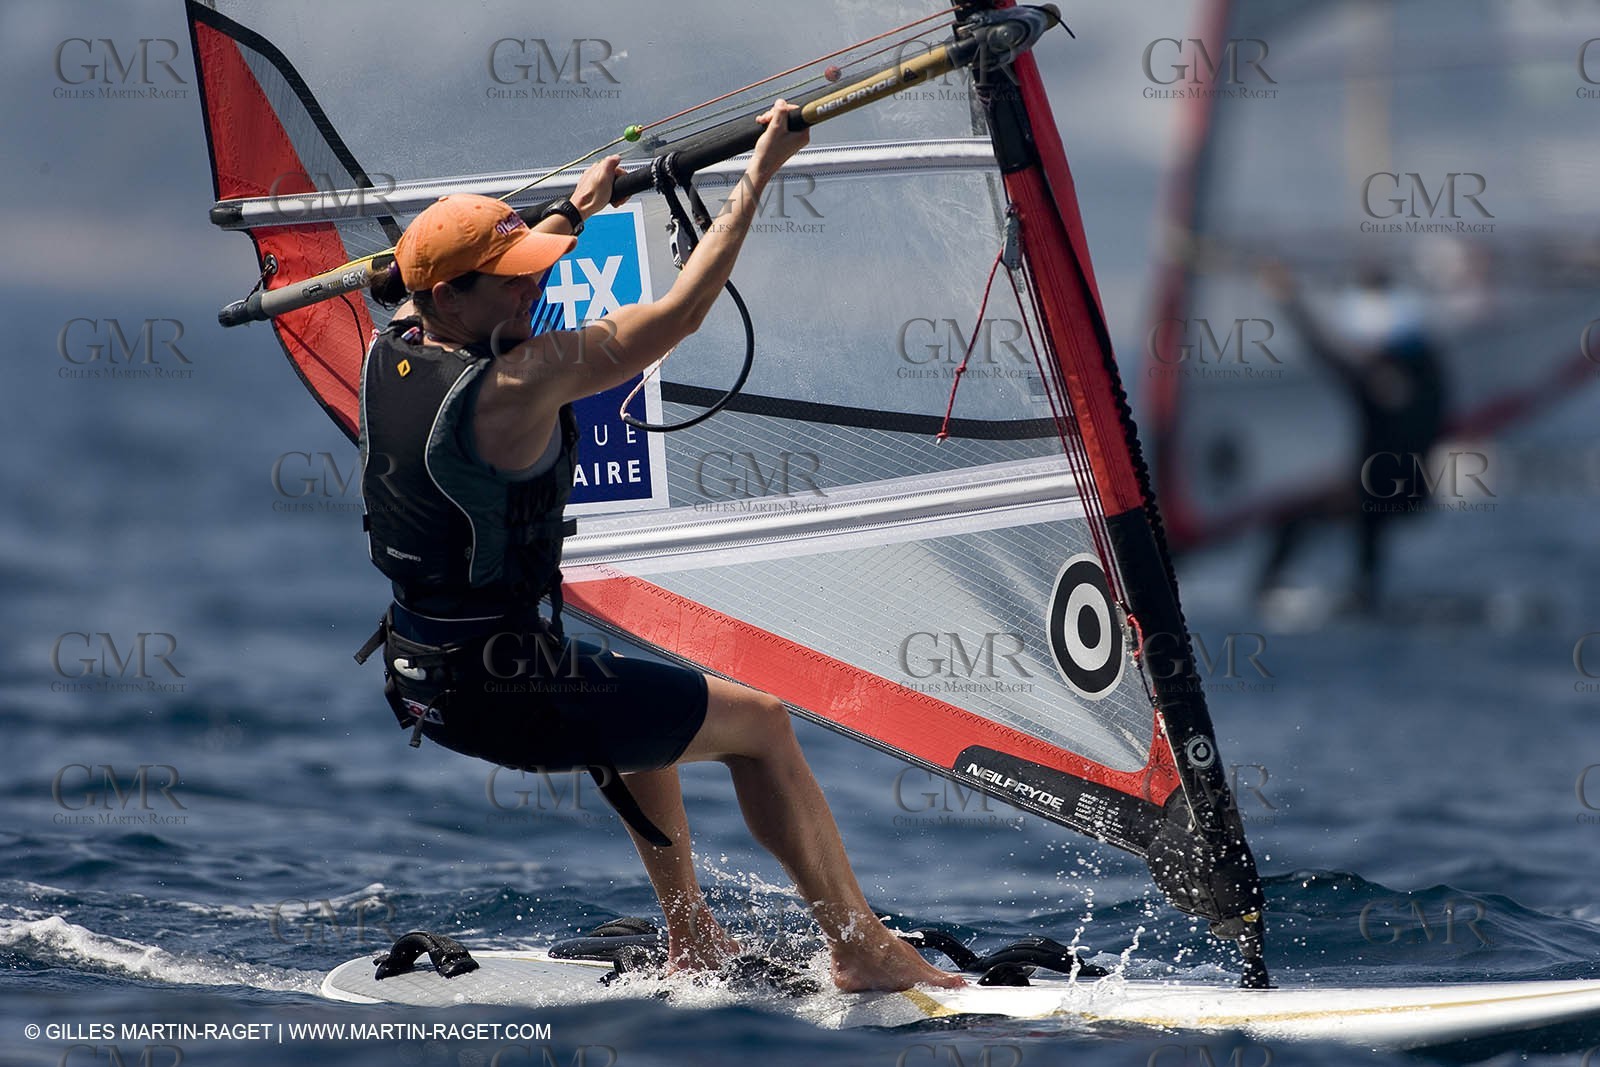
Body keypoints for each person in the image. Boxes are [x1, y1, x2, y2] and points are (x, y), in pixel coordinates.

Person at [356, 99, 962, 993]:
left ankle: (692, 937)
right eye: (515, 278)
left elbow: (462, 274)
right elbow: (678, 314)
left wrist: (577, 211)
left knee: (645, 704)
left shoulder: (389, 349)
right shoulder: (517, 383)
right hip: (513, 689)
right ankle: (858, 945)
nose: (537, 287)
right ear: (452, 296)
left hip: (426, 677)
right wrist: (761, 174)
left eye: (536, 270)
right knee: (761, 725)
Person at [1254, 261, 1448, 613]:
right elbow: (1332, 350)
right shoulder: (1428, 375)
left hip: (1389, 492)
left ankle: (1271, 591)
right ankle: (1362, 593)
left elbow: (1324, 348)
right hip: (1404, 491)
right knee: (1359, 517)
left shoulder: (1382, 378)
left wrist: (1287, 300)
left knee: (1313, 514)